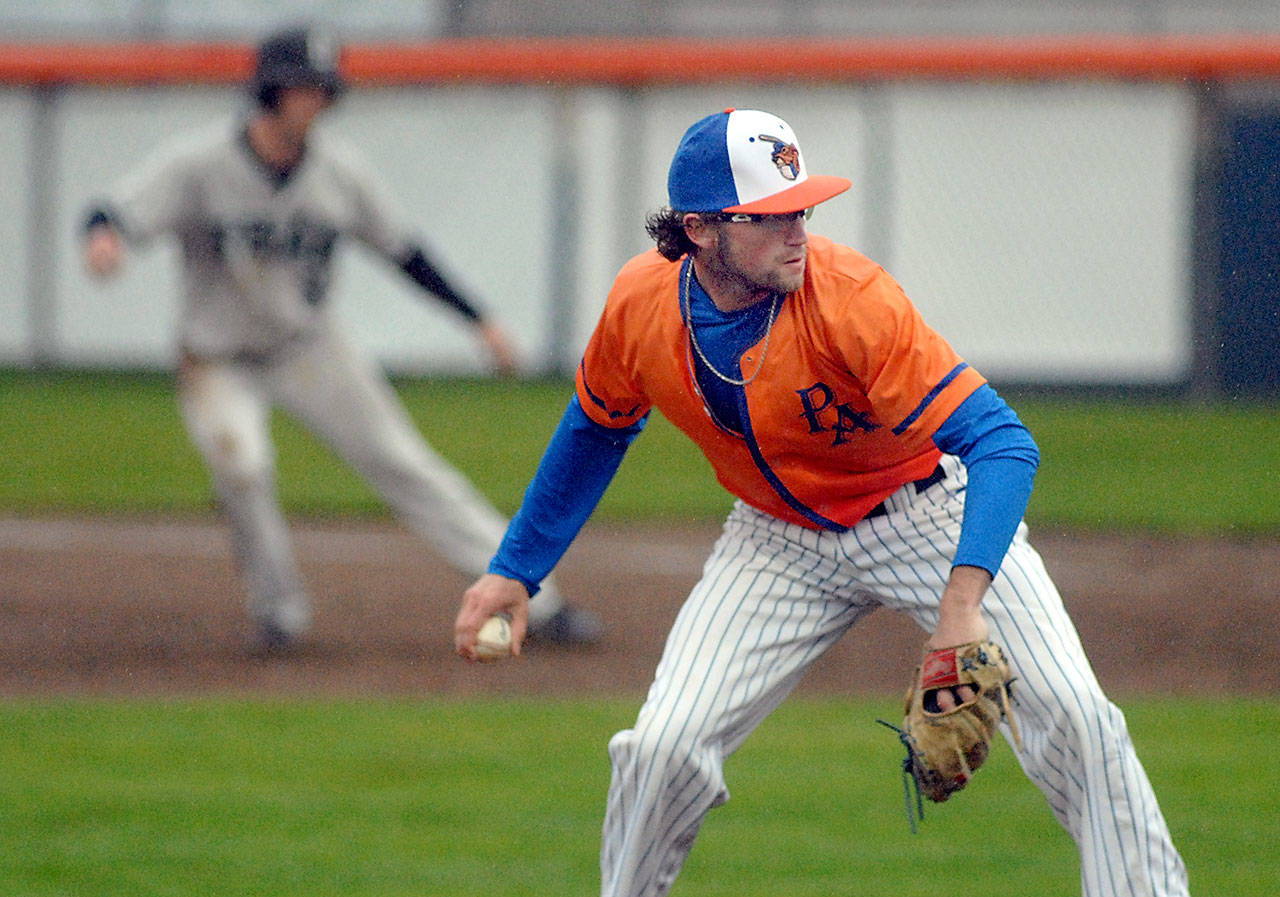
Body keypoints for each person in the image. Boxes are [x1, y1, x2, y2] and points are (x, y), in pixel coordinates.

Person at [455, 108, 1188, 896]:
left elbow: (1004, 443)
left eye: (802, 206)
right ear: (700, 230)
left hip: (926, 516)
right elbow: (595, 428)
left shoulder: (851, 298)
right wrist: (516, 569)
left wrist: (961, 607)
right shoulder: (641, 305)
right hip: (776, 540)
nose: (797, 230)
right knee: (661, 747)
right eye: (770, 218)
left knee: (1078, 719)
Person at [81, 25, 603, 652]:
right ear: (269, 90)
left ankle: (537, 602)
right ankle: (278, 615)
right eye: (300, 87)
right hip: (216, 358)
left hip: (308, 348)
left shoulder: (337, 172)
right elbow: (113, 211)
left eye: (321, 89)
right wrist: (104, 240)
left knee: (404, 463)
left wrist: (478, 319)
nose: (313, 101)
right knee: (241, 467)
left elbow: (405, 252)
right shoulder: (200, 164)